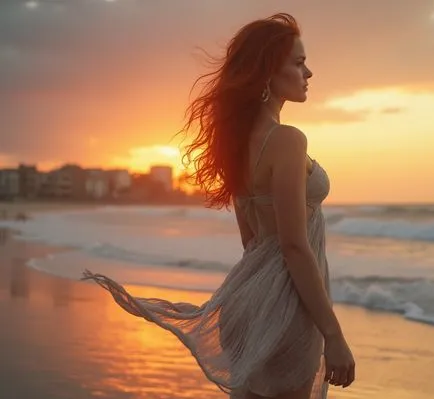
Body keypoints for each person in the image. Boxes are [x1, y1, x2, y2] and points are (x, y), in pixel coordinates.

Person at [82, 12, 355, 399]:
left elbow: (253, 241)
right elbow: (294, 245)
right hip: (287, 308)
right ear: (266, 74)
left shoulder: (236, 144)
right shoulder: (288, 140)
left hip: (247, 303)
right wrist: (334, 335)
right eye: (298, 63)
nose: (308, 72)